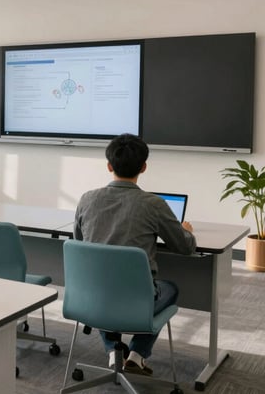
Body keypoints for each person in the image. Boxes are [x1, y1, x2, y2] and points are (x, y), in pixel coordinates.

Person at [73, 133, 197, 376]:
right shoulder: (153, 204)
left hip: (92, 297)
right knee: (169, 288)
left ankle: (113, 351)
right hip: (136, 300)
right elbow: (184, 247)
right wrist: (185, 231)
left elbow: (80, 245)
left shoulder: (86, 199)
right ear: (144, 167)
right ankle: (137, 354)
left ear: (109, 166)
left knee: (102, 281)